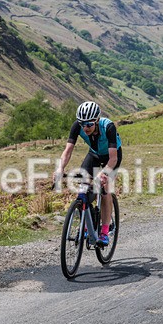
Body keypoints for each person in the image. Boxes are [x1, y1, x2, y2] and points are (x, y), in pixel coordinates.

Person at [55, 101, 122, 246]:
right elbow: (67, 151)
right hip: (94, 154)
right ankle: (87, 222)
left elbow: (113, 158)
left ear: (97, 121)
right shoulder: (77, 126)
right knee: (84, 188)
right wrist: (60, 168)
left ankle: (104, 231)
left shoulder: (108, 127)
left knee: (105, 188)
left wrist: (103, 174)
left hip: (111, 157)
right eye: (82, 124)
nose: (85, 128)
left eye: (90, 124)